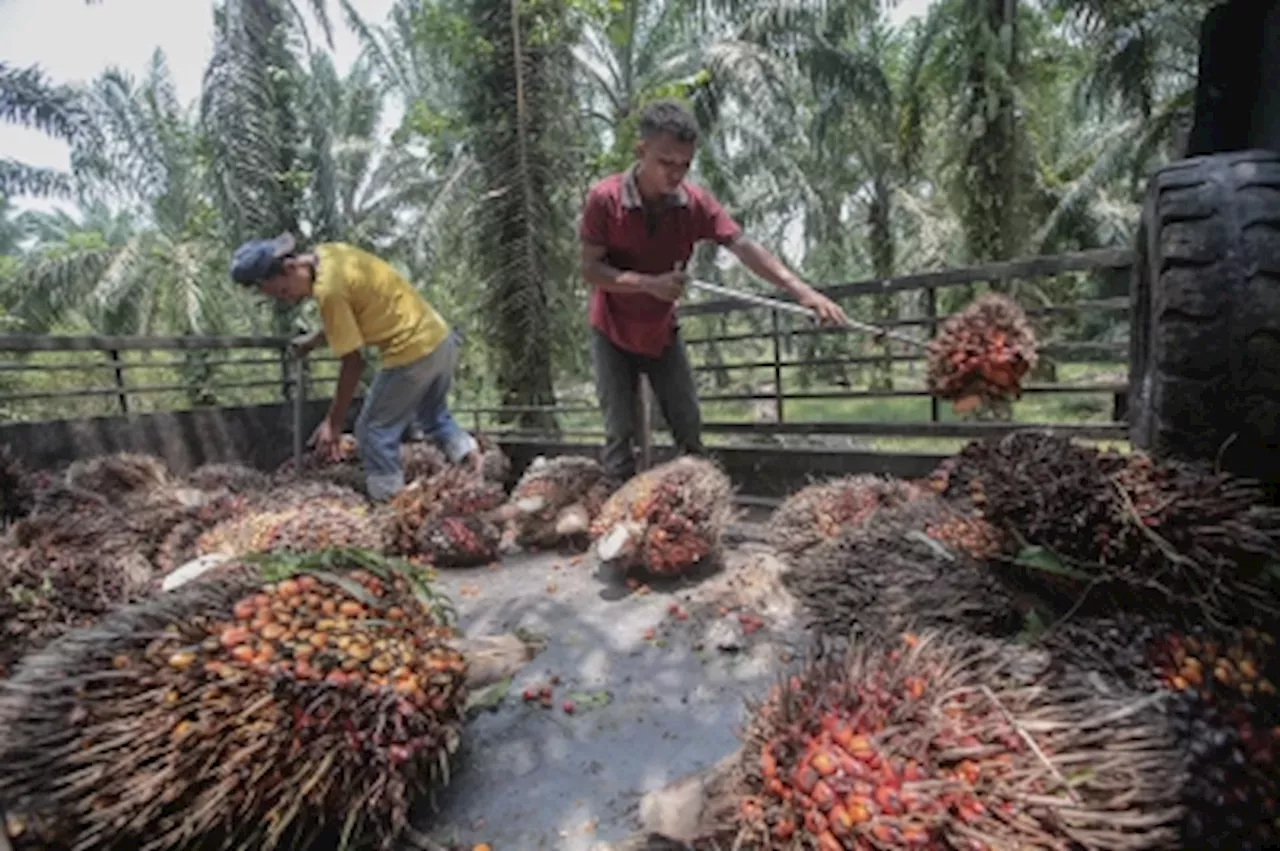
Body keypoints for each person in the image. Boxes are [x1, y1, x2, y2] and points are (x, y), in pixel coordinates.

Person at [578, 99, 849, 483]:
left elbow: (742, 246)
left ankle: (701, 506)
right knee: (619, 433)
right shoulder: (604, 199)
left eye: (684, 165)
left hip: (660, 333)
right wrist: (647, 284)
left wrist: (802, 292)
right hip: (612, 330)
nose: (675, 174)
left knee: (688, 425)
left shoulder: (695, 204)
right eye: (665, 163)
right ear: (641, 152)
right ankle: (614, 516)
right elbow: (590, 270)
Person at [229, 233, 482, 500]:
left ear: (291, 267)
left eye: (284, 290)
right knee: (433, 416)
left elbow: (353, 362)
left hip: (411, 350)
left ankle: (391, 507)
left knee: (373, 430)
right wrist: (314, 341)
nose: (289, 299)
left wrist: (333, 423)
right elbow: (350, 312)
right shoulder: (329, 254)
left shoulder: (329, 292)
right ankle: (472, 460)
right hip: (439, 338)